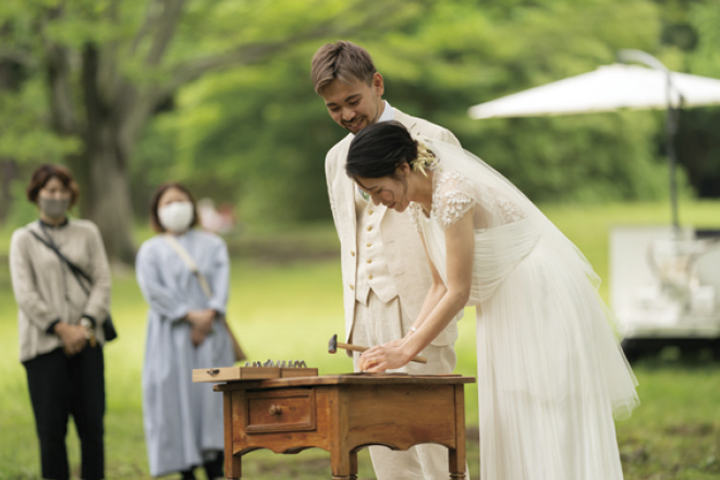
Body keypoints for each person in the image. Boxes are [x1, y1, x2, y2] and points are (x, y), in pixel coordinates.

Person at [347, 121, 640, 480]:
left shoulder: (453, 193)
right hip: (501, 301)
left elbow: (458, 290)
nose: (377, 202)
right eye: (368, 195)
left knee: (548, 409)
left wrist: (407, 352)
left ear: (403, 168)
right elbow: (438, 284)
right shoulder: (414, 206)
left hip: (534, 291)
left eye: (377, 190)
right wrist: (406, 340)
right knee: (511, 413)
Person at [311, 40, 465, 479]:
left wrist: (421, 329)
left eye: (353, 100)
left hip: (423, 307)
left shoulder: (433, 139)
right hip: (363, 317)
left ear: (377, 83)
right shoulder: (334, 159)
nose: (345, 115)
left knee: (437, 449)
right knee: (382, 449)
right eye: (333, 107)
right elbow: (353, 240)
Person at [9, 164, 111, 480]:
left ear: (71, 194)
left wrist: (84, 325)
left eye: (62, 190)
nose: (57, 196)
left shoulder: (88, 232)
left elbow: (102, 282)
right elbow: (25, 292)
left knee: (92, 427)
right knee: (51, 433)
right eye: (50, 190)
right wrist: (60, 328)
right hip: (43, 348)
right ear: (37, 194)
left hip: (88, 342)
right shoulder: (23, 239)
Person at [136, 183, 235, 480]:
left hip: (212, 335)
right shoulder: (151, 250)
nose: (176, 207)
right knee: (175, 400)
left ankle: (216, 465)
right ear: (157, 210)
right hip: (170, 335)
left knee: (212, 400)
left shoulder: (213, 243)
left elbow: (221, 282)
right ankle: (186, 469)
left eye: (181, 200)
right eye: (169, 202)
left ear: (192, 206)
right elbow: (153, 291)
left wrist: (208, 315)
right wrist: (187, 315)